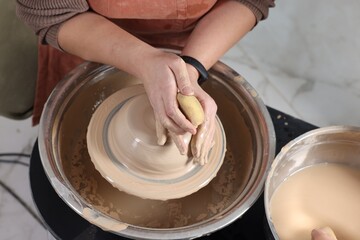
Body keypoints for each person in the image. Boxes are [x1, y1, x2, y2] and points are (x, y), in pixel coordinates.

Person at [16, 0, 275, 164]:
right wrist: (144, 60)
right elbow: (49, 11)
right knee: (74, 139)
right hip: (89, 40)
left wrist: (190, 68)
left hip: (193, 41)